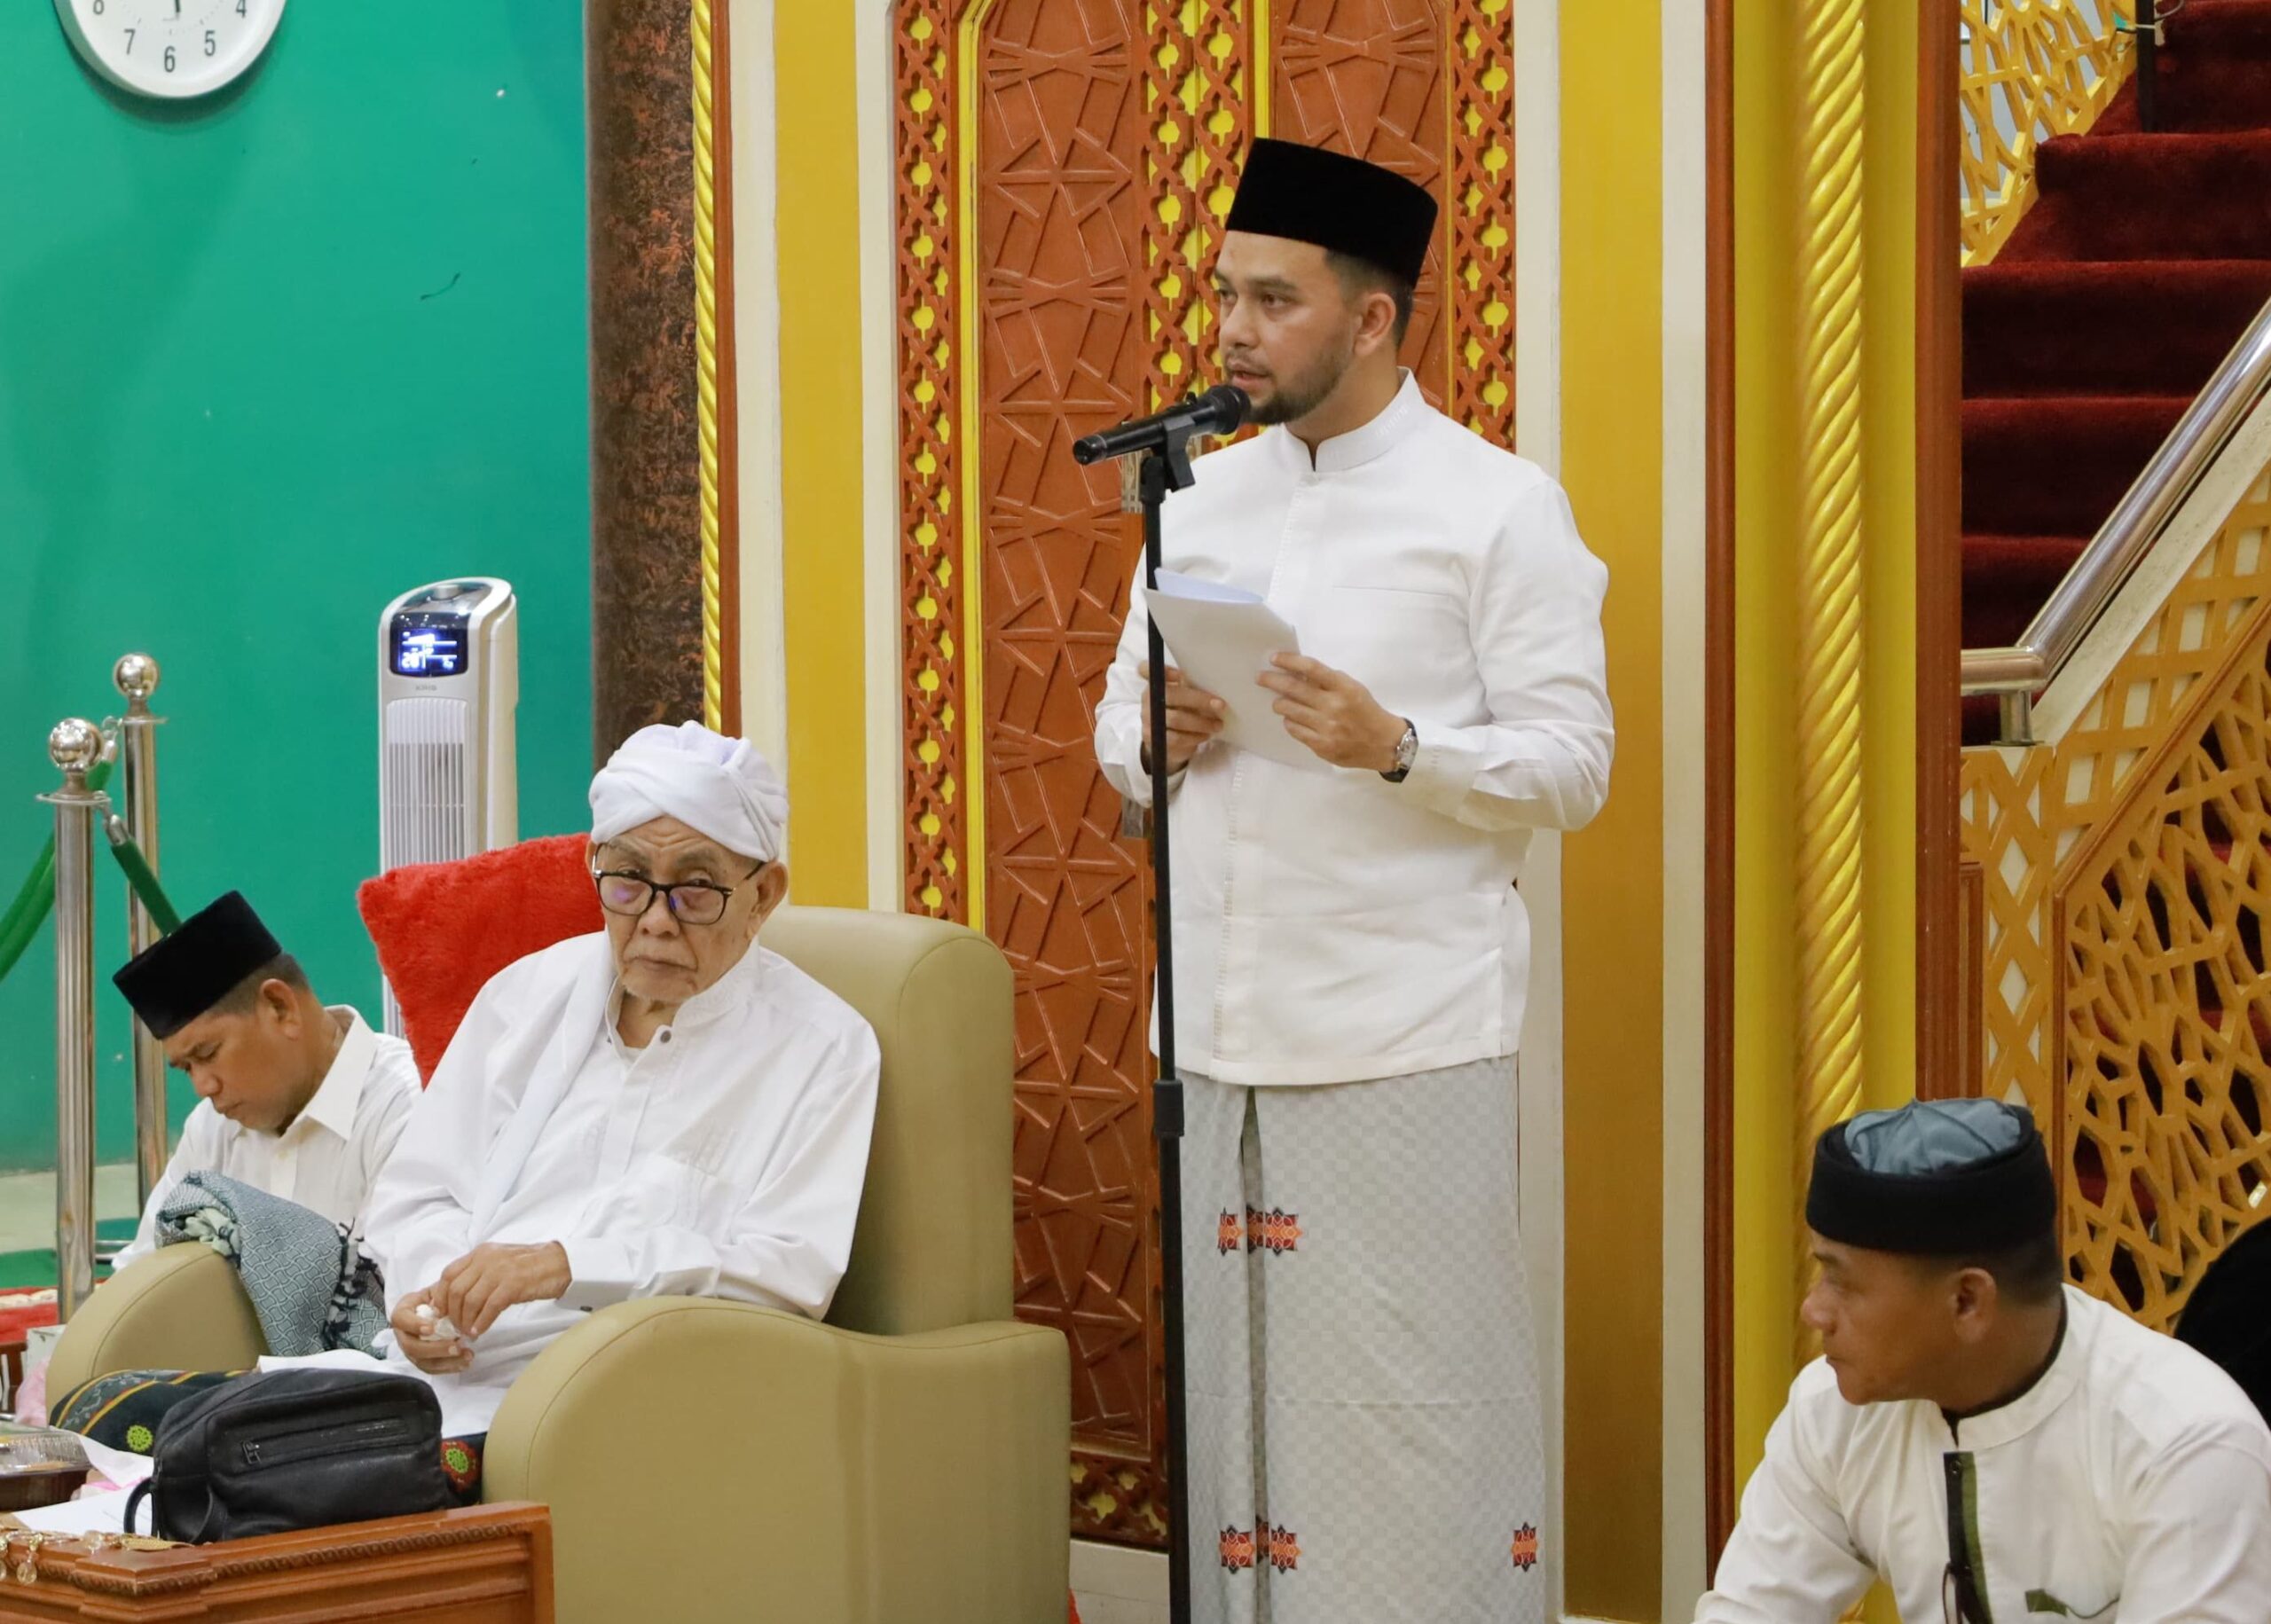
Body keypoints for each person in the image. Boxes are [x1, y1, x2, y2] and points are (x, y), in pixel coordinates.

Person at [1092, 137, 1613, 1623]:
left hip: (1401, 1039)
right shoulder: (1195, 503)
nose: (1234, 331)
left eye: (1274, 300)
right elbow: (1116, 731)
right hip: (1213, 1042)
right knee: (1241, 1421)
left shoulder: (1496, 508)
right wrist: (1154, 738)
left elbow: (1574, 766)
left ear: (1374, 318)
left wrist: (1400, 748)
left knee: (1406, 1421)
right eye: (1225, 296)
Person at [360, 721, 881, 1440]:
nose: (656, 922)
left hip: (631, 1411)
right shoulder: (525, 995)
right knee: (220, 1449)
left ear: (764, 894)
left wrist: (566, 1266)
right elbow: (421, 1190)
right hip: (432, 1382)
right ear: (594, 867)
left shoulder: (823, 1048)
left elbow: (783, 1275)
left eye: (695, 889)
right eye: (629, 882)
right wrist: (429, 1295)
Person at [1698, 1098, 2271, 1622]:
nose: (1814, 1309)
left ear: (1968, 1300)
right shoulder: (1834, 1413)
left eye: (1841, 1281)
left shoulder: (2185, 1442)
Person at [111, 891, 420, 1270]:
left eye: (207, 1054)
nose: (203, 1087)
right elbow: (145, 1272)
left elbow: (410, 1292)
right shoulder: (210, 1130)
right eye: (187, 1068)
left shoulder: (405, 1107)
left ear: (280, 1007)